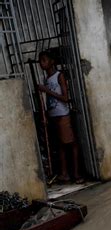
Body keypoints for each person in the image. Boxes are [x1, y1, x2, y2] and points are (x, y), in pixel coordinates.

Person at [38, 50, 84, 184]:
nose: (41, 63)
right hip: (54, 115)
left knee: (72, 144)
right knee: (61, 145)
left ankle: (76, 174)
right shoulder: (46, 79)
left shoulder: (59, 76)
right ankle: (65, 174)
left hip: (63, 114)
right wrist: (45, 114)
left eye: (44, 60)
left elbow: (65, 98)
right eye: (40, 61)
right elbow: (47, 101)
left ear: (52, 61)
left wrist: (46, 91)